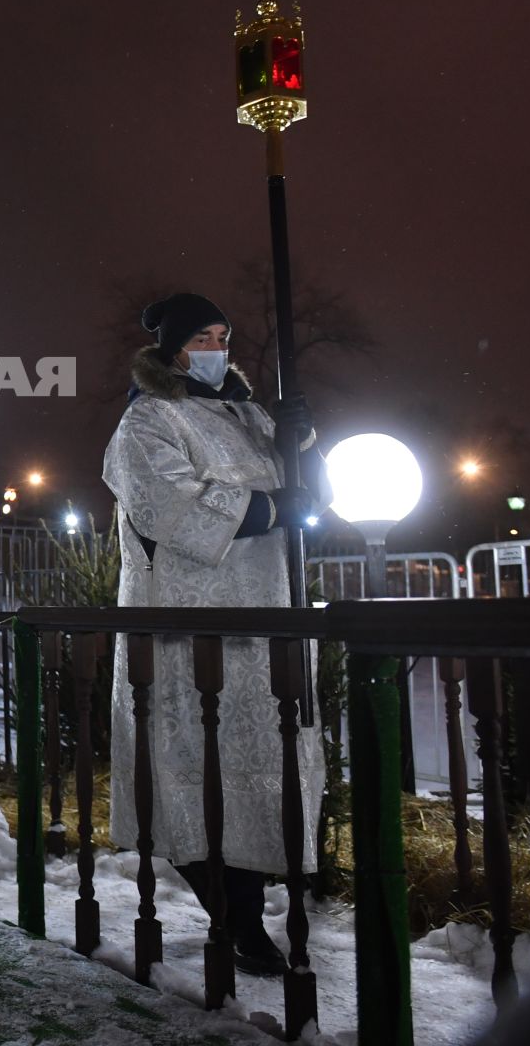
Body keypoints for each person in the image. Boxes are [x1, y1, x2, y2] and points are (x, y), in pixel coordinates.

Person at [102, 292, 325, 977]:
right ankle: (237, 920)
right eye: (202, 336)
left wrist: (301, 442)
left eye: (223, 334)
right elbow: (170, 509)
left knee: (258, 779)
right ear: (172, 350)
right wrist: (268, 506)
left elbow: (309, 498)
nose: (216, 347)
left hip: (265, 628)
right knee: (191, 779)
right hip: (186, 635)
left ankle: (249, 914)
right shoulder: (147, 425)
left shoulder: (251, 416)